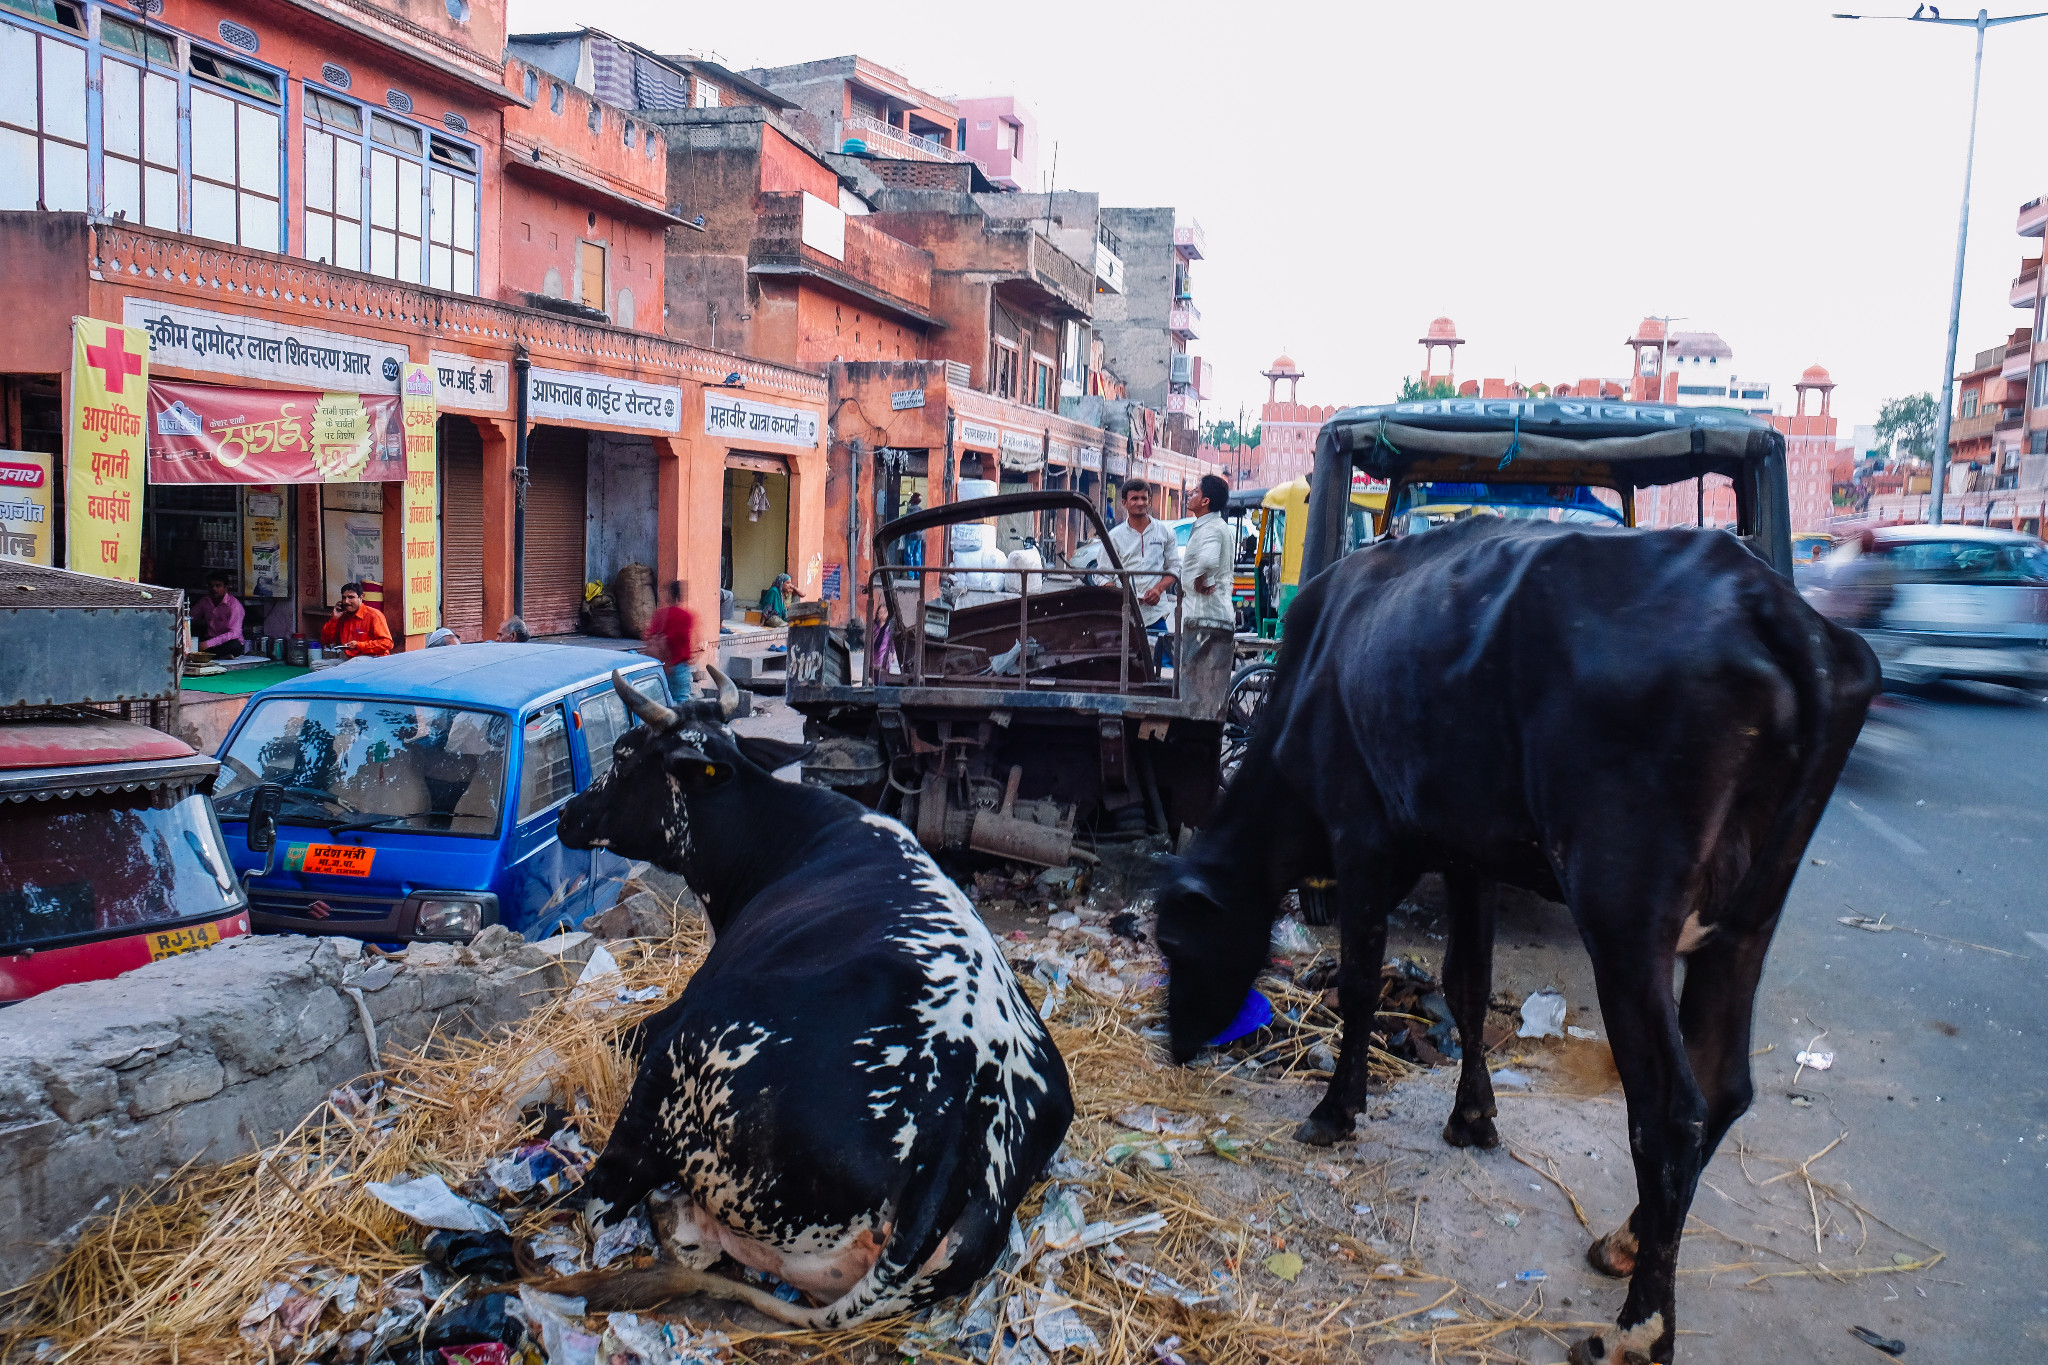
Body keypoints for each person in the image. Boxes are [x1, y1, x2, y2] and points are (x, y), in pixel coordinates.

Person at [1108, 479, 1182, 666]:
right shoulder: (1114, 536)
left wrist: (1158, 589)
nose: (1140, 503)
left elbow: (1174, 568)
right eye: (1134, 498)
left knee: (1163, 664)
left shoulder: (1165, 532)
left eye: (1144, 498)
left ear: (1149, 501)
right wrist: (1123, 596)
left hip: (1155, 612)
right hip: (1124, 613)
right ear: (1124, 502)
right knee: (1122, 663)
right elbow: (1102, 575)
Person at [1181, 474, 1236, 630]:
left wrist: (1201, 579)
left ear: (1205, 501)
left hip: (1206, 616)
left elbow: (1208, 560)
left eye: (1196, 492)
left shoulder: (1212, 528)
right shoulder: (1210, 525)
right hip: (1207, 615)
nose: (1190, 494)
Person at [645, 580, 698, 699]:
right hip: (680, 667)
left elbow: (648, 636)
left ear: (668, 595)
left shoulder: (659, 615)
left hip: (660, 667)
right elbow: (691, 642)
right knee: (681, 701)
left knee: (659, 701)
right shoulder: (686, 616)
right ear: (680, 596)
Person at [320, 583, 393, 659]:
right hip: (349, 657)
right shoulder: (343, 617)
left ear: (361, 597)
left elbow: (387, 643)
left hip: (372, 657)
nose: (346, 601)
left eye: (351, 597)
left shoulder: (373, 615)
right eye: (344, 598)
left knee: (349, 665)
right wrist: (334, 619)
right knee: (316, 665)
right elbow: (326, 640)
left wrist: (359, 645)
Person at [190, 572, 246, 656]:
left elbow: (234, 633)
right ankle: (216, 655)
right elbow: (191, 617)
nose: (214, 589)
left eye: (218, 586)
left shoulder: (234, 606)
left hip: (227, 642)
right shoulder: (205, 601)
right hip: (209, 638)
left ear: (226, 588)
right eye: (211, 586)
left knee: (235, 646)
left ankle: (212, 655)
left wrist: (208, 644)